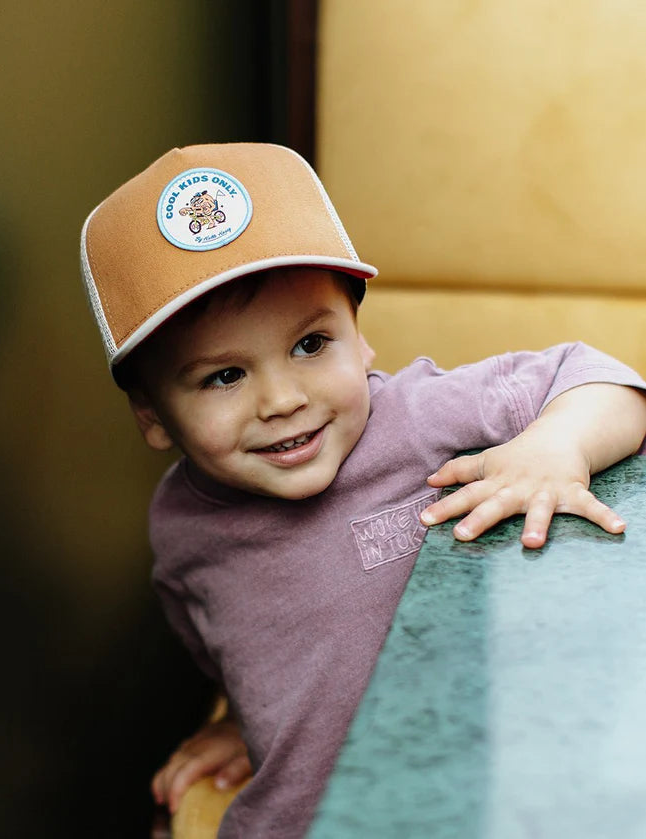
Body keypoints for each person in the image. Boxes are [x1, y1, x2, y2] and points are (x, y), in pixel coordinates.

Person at [80, 142, 646, 838]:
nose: (282, 399)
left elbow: (599, 377)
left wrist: (555, 446)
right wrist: (242, 721)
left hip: (484, 803)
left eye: (311, 344)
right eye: (224, 377)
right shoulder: (178, 526)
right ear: (151, 415)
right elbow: (225, 642)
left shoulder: (418, 419)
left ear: (360, 336)